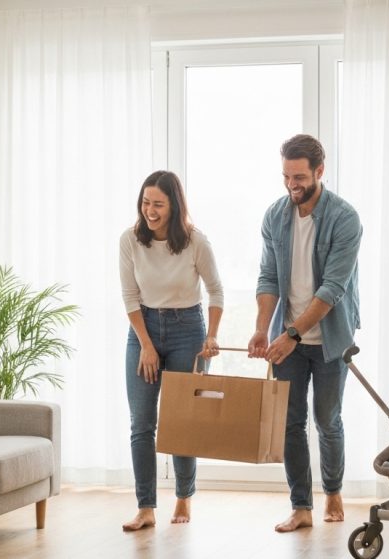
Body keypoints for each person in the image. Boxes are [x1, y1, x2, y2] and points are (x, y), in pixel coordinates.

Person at [247, 134, 361, 533]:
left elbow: (332, 289)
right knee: (291, 423)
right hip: (286, 341)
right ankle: (301, 506)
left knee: (327, 419)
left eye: (299, 177)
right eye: (286, 176)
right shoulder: (275, 216)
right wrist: (263, 329)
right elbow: (267, 277)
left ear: (319, 172)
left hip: (328, 338)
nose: (292, 184)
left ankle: (332, 491)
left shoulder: (345, 219)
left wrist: (292, 333)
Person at [119, 170, 224, 532]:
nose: (150, 210)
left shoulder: (196, 242)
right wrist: (147, 345)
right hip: (143, 329)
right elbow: (130, 297)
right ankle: (146, 506)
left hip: (187, 331)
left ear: (174, 206)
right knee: (141, 424)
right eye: (146, 202)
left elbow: (216, 291)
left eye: (158, 204)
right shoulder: (130, 241)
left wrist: (211, 337)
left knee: (182, 419)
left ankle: (183, 495)